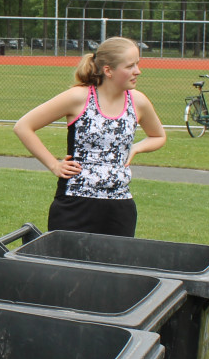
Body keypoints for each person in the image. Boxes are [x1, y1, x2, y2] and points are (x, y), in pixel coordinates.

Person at [14, 36, 166, 236]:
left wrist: (135, 148)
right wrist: (54, 165)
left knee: (114, 267)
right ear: (108, 70)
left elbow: (158, 136)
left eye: (137, 64)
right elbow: (24, 126)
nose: (138, 71)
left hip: (120, 207)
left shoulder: (138, 101)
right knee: (68, 266)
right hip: (75, 204)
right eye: (130, 66)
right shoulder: (79, 97)